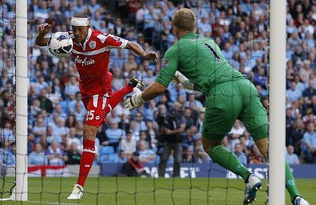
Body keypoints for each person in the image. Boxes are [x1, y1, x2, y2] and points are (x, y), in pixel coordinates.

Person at [125, 8, 310, 205]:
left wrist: (139, 99)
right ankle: (297, 197)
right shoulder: (209, 41)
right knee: (269, 150)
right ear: (195, 26)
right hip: (245, 87)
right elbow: (213, 74)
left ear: (174, 28)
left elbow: (160, 87)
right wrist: (188, 83)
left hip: (222, 95)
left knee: (210, 145)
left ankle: (249, 177)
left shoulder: (175, 49)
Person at [35, 13, 158, 200]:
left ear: (88, 27)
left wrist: (144, 54)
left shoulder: (102, 38)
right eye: (74, 29)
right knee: (104, 111)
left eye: (80, 29)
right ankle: (129, 87)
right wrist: (41, 34)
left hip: (100, 92)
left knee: (90, 131)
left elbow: (130, 43)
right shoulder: (67, 38)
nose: (76, 33)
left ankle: (79, 186)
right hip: (84, 91)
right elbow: (41, 42)